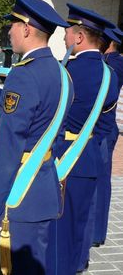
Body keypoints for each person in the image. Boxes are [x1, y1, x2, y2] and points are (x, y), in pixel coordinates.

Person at [0, 0, 73, 274]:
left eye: (13, 25)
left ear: (28, 29)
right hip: (44, 189)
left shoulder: (23, 74)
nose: (9, 31)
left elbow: (9, 148)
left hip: (20, 196)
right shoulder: (63, 74)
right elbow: (43, 123)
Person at [49, 4, 119, 274]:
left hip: (60, 158)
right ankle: (79, 264)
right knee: (82, 219)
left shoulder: (64, 72)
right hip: (89, 157)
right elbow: (104, 127)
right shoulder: (109, 76)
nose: (65, 37)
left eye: (67, 32)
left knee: (59, 225)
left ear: (79, 37)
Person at [91, 26, 123, 248]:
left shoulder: (113, 64)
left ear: (107, 42)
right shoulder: (113, 61)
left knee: (100, 181)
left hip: (104, 128)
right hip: (106, 128)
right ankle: (96, 231)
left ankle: (96, 233)